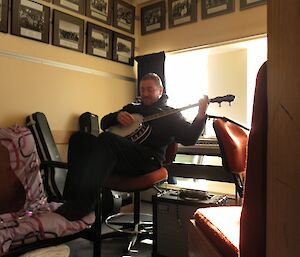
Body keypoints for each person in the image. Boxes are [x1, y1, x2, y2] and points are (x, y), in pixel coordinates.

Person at [55, 73, 209, 221]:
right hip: (120, 158)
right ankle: (69, 199)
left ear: (160, 91)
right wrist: (116, 117)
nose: (145, 94)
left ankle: (84, 205)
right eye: (142, 90)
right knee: (78, 138)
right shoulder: (132, 108)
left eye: (150, 89)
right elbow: (104, 122)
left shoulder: (171, 114)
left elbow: (189, 138)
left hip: (148, 161)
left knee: (107, 140)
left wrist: (201, 114)